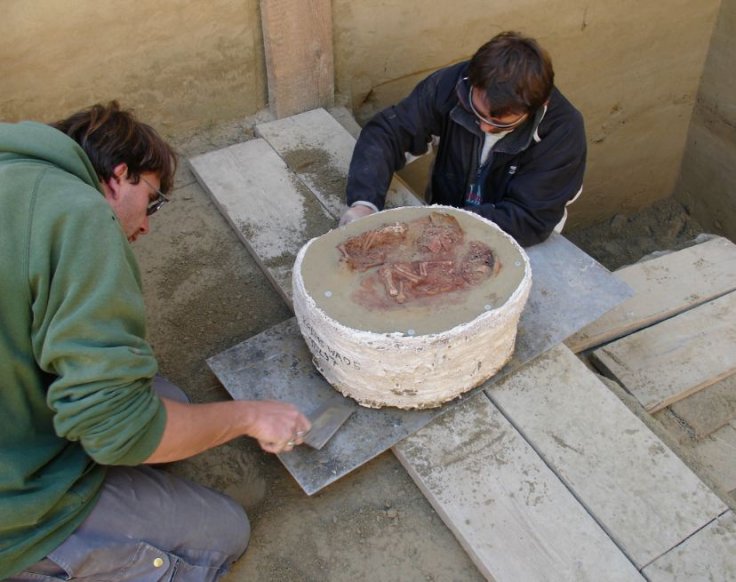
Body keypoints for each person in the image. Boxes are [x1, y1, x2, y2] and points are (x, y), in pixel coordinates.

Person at [0, 102, 311, 581]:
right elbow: (118, 429)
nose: (146, 224)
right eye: (154, 200)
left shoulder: (17, 167)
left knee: (168, 403)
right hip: (12, 508)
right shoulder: (80, 215)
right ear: (119, 175)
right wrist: (250, 415)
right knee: (226, 532)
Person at [341, 31, 587, 247]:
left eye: (500, 123)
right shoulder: (451, 85)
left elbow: (530, 218)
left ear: (538, 106)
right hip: (445, 213)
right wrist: (365, 204)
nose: (482, 126)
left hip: (515, 238)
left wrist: (446, 225)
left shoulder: (563, 132)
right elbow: (388, 133)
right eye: (476, 110)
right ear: (473, 78)